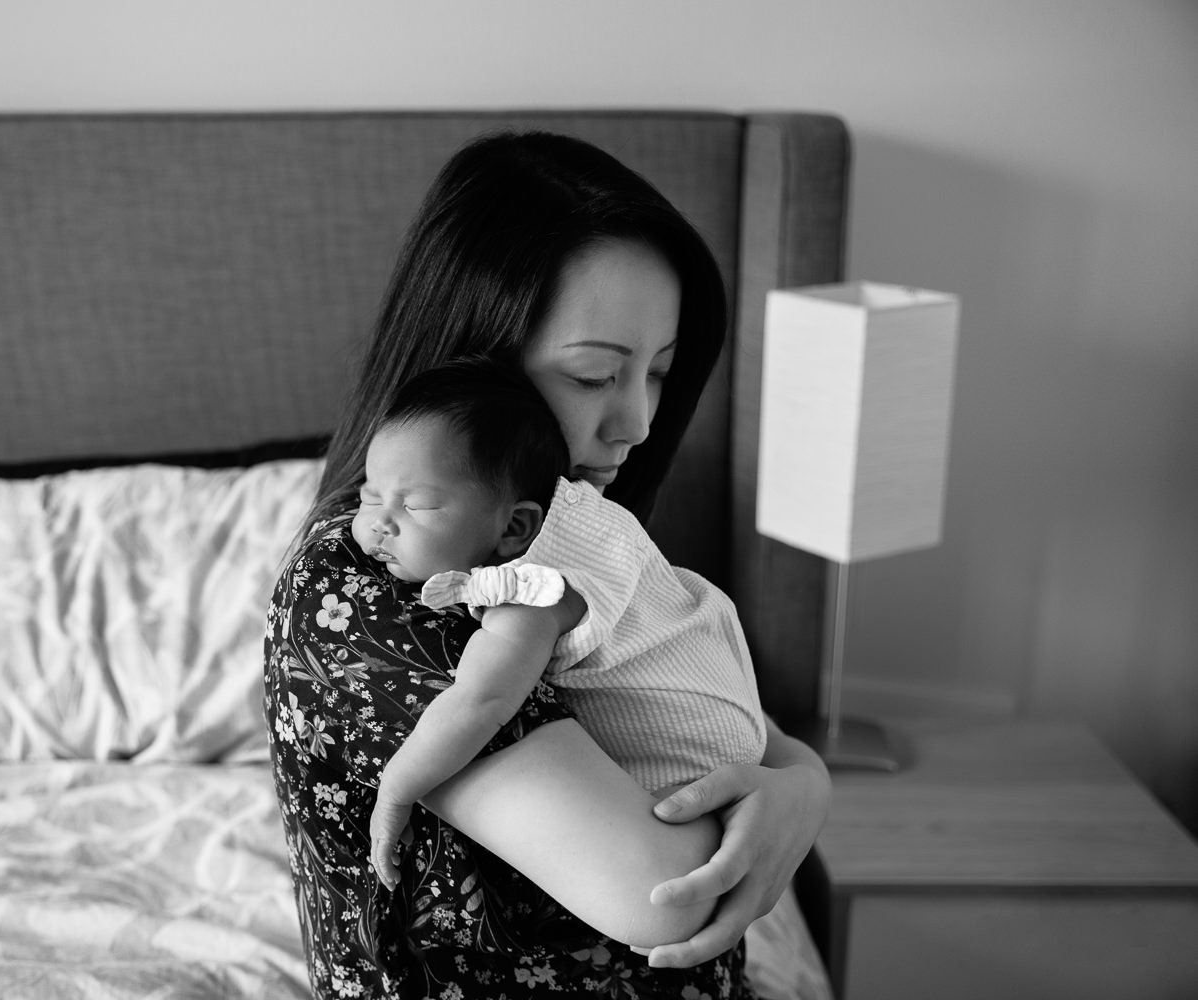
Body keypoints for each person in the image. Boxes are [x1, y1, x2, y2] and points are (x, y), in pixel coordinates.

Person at [265, 129, 831, 1000]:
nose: (638, 423)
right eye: (596, 374)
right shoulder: (374, 589)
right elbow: (662, 892)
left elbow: (698, 707)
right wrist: (780, 793)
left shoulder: (559, 536)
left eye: (660, 373)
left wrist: (804, 784)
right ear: (477, 360)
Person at [356, 358, 767, 894]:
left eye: (416, 505)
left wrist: (396, 788)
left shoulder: (534, 590)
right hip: (726, 702)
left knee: (659, 890)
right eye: (368, 495)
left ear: (514, 527)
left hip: (686, 754)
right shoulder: (583, 513)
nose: (379, 522)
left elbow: (479, 700)